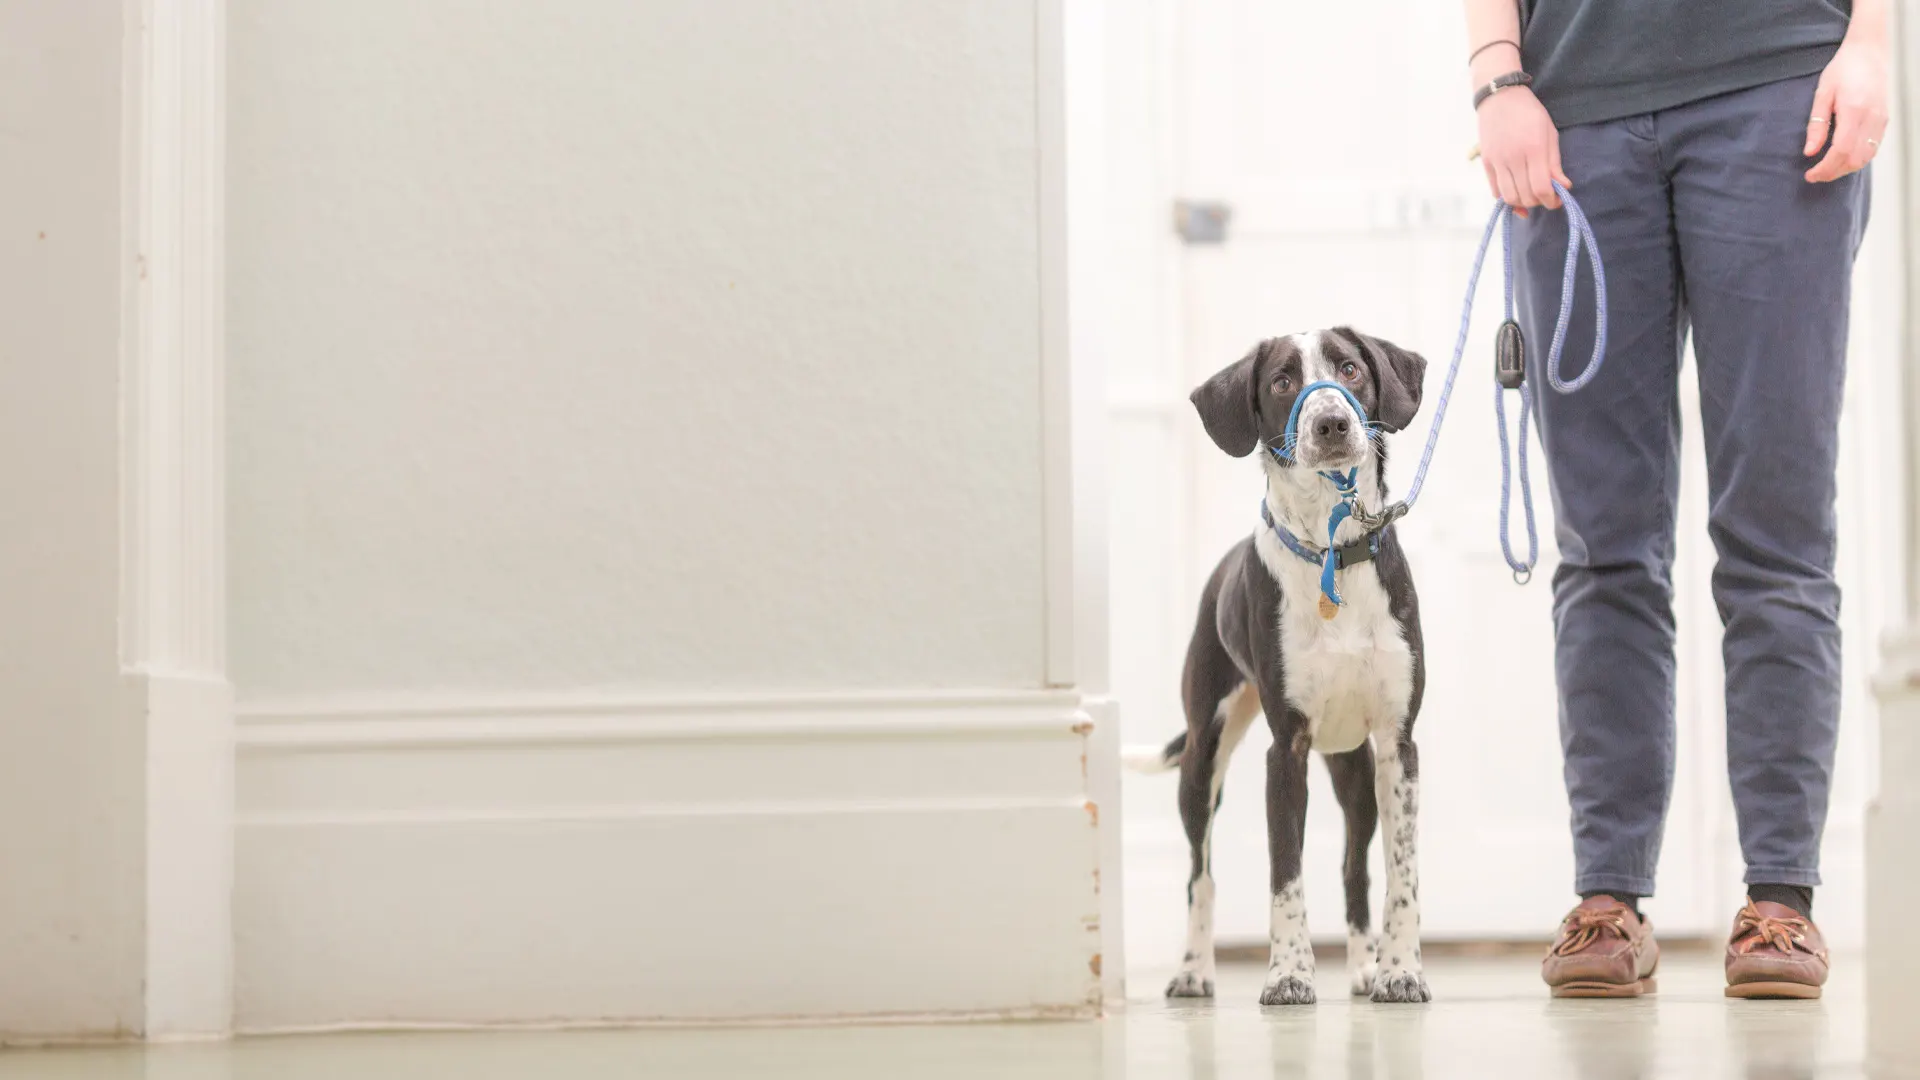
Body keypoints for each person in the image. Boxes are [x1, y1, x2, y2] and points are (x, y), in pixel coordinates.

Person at [1461, 0, 1886, 999]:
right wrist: (1497, 75)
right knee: (1603, 540)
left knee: (1775, 533)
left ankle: (1781, 902)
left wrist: (1871, 45)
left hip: (1781, 90)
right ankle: (1608, 896)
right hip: (1571, 114)